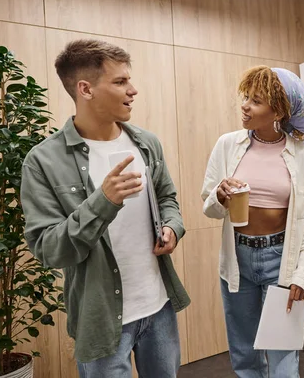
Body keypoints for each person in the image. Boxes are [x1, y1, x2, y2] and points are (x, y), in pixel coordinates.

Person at [20, 39, 189, 378]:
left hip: (158, 307)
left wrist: (172, 227)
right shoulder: (42, 161)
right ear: (86, 89)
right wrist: (104, 201)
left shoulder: (146, 142)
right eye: (120, 81)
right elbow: (49, 250)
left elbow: (168, 198)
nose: (133, 90)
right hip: (100, 318)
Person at [201, 66, 304, 378]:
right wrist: (220, 195)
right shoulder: (227, 145)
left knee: (283, 354)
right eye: (246, 98)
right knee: (244, 352)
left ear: (278, 110)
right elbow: (209, 207)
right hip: (237, 257)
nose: (245, 106)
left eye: (255, 101)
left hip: (281, 258)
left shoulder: (301, 154)